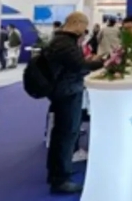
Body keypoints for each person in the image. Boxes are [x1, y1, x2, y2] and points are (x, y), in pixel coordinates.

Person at [43, 12, 103, 194]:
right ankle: (60, 179)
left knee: (63, 134)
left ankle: (59, 173)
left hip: (64, 90)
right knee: (66, 135)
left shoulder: (62, 41)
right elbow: (79, 66)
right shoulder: (65, 43)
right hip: (67, 92)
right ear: (76, 23)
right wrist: (102, 62)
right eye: (84, 25)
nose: (85, 30)